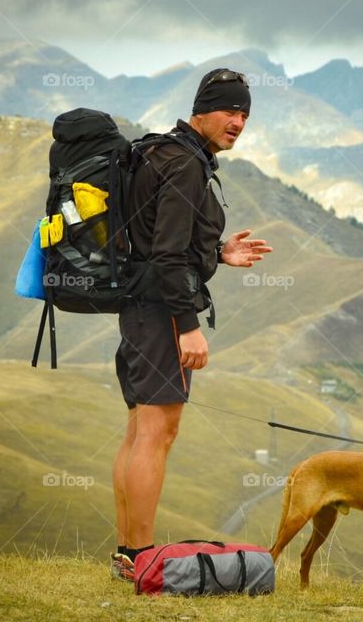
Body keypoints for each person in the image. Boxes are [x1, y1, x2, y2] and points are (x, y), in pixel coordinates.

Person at [110, 68, 272, 581]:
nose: (239, 121)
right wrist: (187, 324)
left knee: (140, 429)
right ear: (201, 110)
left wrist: (218, 253)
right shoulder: (184, 165)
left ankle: (128, 554)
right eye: (230, 110)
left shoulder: (164, 153)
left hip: (138, 306)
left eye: (245, 113)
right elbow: (167, 255)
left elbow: (163, 239)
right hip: (161, 312)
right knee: (158, 431)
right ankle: (141, 557)